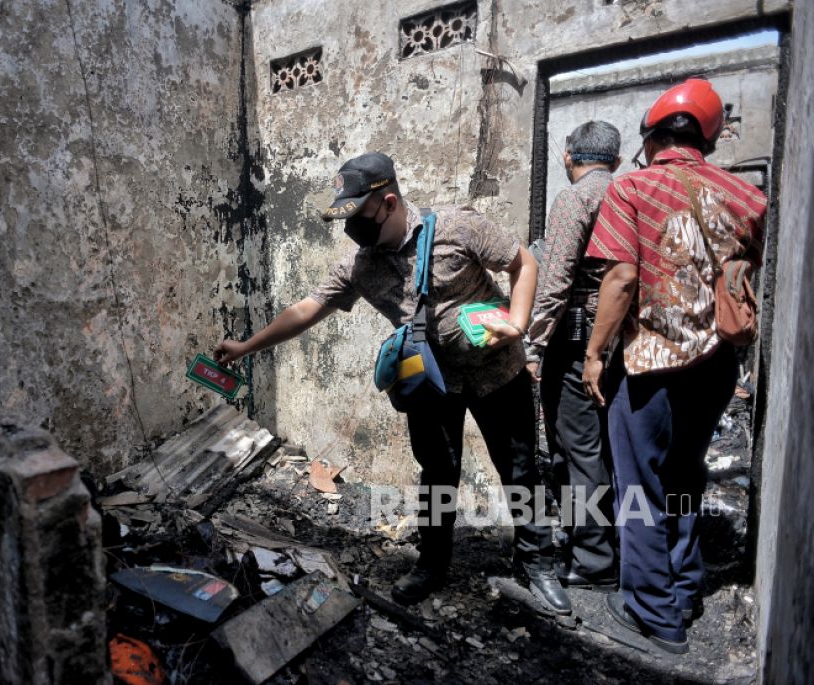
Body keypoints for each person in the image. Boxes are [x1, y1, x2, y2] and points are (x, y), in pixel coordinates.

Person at [215, 152, 571, 613]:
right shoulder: (361, 266)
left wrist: (519, 323)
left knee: (520, 470)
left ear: (388, 202)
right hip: (430, 384)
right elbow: (305, 310)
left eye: (358, 216)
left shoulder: (457, 228)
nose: (352, 229)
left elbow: (522, 263)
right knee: (438, 476)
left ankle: (537, 561)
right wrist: (246, 347)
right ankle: (432, 565)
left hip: (497, 372)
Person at [581, 79, 766, 653]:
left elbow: (621, 278)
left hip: (650, 362)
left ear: (653, 135)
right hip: (715, 367)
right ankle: (684, 588)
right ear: (706, 139)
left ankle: (652, 614)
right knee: (685, 477)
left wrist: (593, 353)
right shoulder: (747, 198)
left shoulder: (632, 188)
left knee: (639, 486)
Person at [525, 121, 621, 590]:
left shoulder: (576, 199)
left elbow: (556, 283)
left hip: (576, 336)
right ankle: (603, 540)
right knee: (603, 446)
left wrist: (534, 345)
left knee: (578, 449)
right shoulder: (627, 193)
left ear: (569, 157)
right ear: (616, 161)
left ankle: (593, 560)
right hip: (618, 337)